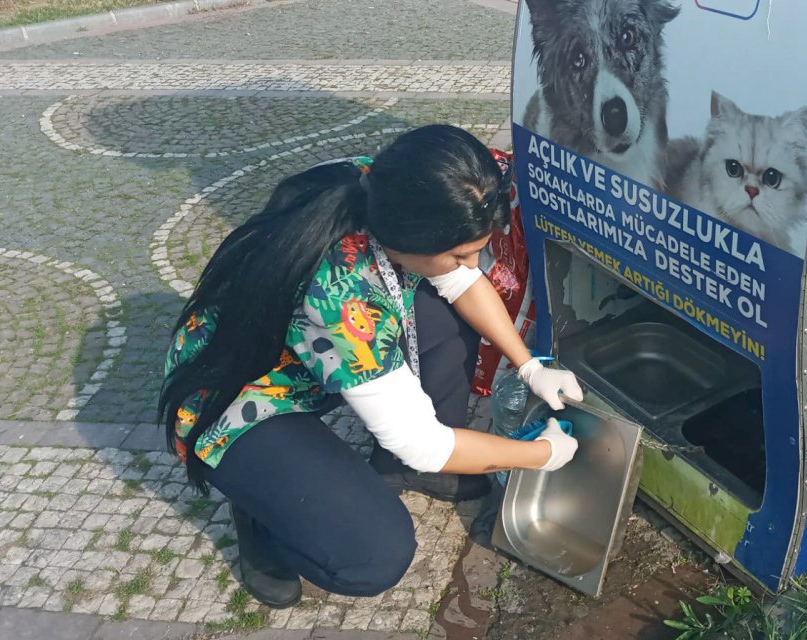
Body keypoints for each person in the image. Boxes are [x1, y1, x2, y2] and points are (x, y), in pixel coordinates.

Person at [156, 125, 583, 608]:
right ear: (412, 240)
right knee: (373, 555)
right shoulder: (341, 296)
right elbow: (424, 443)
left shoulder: (386, 187)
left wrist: (528, 366)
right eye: (461, 252)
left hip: (299, 352)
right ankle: (263, 510)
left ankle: (417, 472)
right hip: (235, 399)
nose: (472, 262)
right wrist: (540, 454)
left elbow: (461, 282)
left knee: (441, 305)